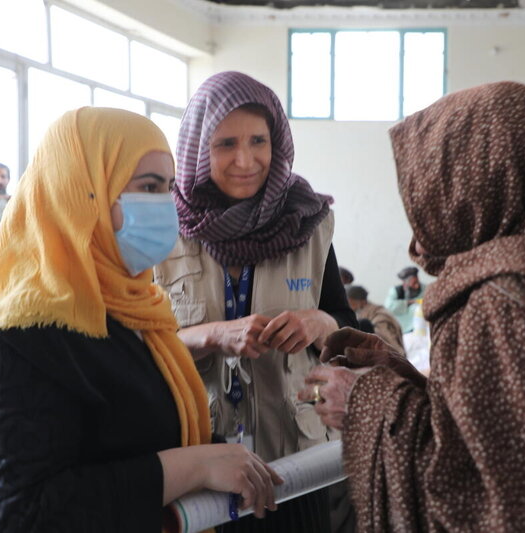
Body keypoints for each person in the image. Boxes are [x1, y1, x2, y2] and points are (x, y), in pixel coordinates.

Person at [299, 82, 525, 531]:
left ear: (471, 182)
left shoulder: (500, 304)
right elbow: (502, 439)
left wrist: (365, 400)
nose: (419, 213)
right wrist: (400, 374)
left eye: (429, 184)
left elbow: (490, 499)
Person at [0, 107, 282, 533]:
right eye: (148, 187)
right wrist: (193, 467)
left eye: (168, 188)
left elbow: (134, 430)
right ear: (80, 194)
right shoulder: (18, 343)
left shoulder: (133, 311)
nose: (166, 207)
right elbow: (21, 515)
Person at [153, 71, 357, 532]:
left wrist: (319, 321)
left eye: (258, 141)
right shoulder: (160, 228)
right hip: (196, 459)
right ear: (196, 148)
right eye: (225, 143)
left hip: (293, 463)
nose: (245, 159)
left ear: (277, 141)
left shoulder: (308, 220)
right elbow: (131, 350)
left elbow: (346, 323)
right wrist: (208, 335)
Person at [346, 285, 405, 356]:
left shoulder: (379, 315)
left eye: (350, 301)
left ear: (361, 301)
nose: (348, 305)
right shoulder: (361, 313)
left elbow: (387, 341)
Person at [383, 265, 423, 333]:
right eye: (414, 283)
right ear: (405, 284)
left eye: (417, 282)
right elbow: (388, 307)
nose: (417, 286)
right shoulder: (396, 291)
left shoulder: (424, 288)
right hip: (403, 330)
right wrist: (409, 302)